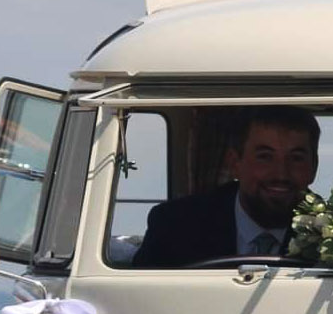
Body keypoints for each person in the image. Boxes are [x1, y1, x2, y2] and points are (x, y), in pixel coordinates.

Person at [131, 106, 321, 267]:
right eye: (265, 157)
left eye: (296, 158)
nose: (281, 174)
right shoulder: (175, 225)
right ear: (235, 163)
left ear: (314, 168)